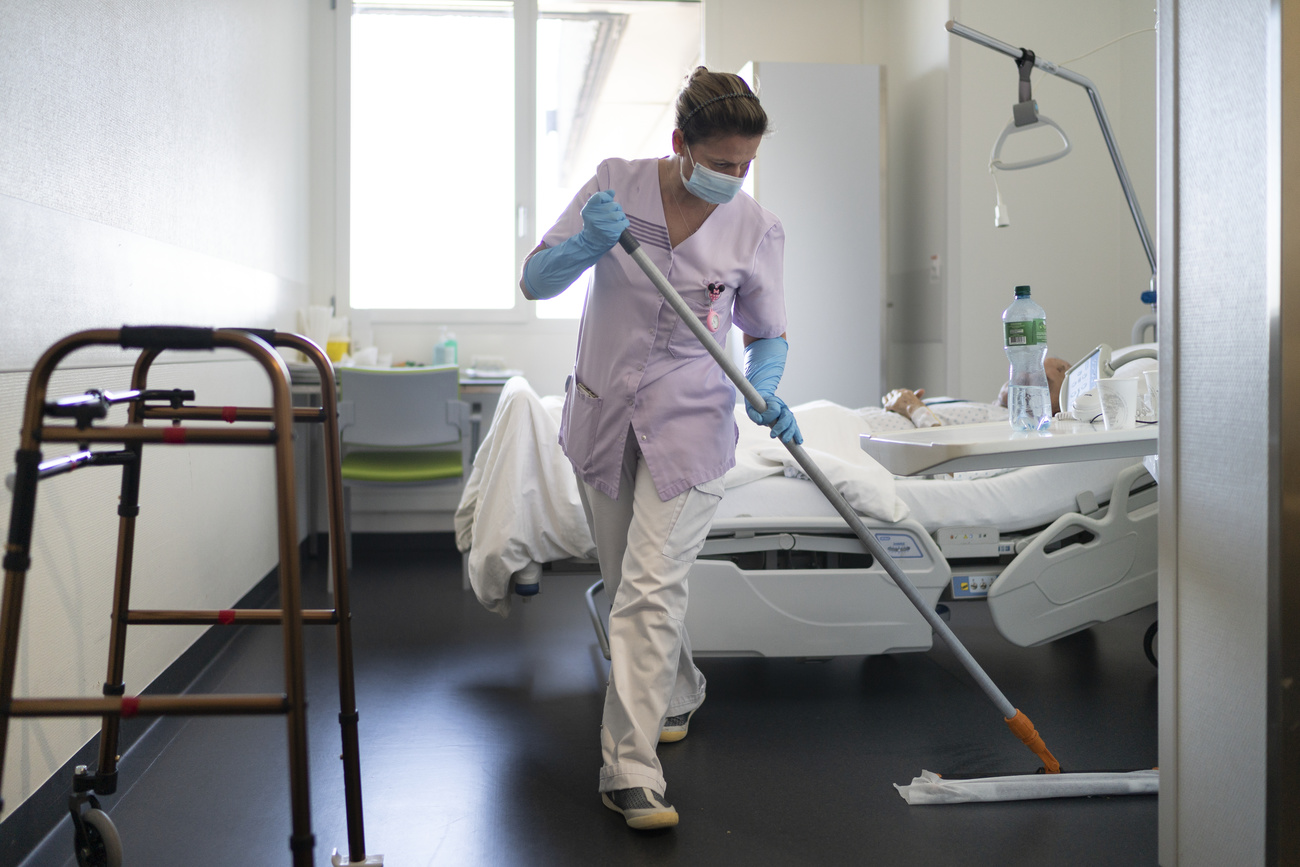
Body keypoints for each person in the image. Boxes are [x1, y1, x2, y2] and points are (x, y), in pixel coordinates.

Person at [518, 67, 799, 831]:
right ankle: (676, 690)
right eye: (721, 163)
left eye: (745, 165)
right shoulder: (615, 186)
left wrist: (768, 386)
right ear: (681, 144)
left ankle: (628, 768)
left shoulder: (755, 228)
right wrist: (586, 241)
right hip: (604, 414)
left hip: (693, 424)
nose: (733, 178)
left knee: (648, 588)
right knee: (623, 586)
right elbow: (535, 281)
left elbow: (766, 334)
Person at [882, 357, 1072, 428]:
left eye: (1043, 382)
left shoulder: (1005, 428)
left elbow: (949, 472)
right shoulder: (988, 411)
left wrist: (914, 409)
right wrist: (897, 402)